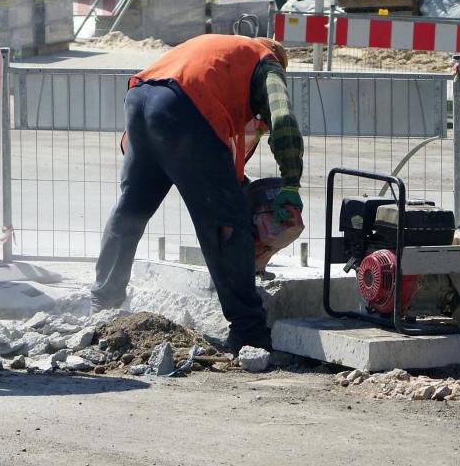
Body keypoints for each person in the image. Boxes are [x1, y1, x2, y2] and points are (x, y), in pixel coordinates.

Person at [91, 34, 304, 353]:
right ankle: (249, 330)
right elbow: (283, 118)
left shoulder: (221, 52)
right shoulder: (267, 64)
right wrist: (291, 182)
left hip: (141, 100)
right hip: (186, 108)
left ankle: (103, 307)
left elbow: (215, 156)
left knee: (131, 210)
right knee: (226, 223)